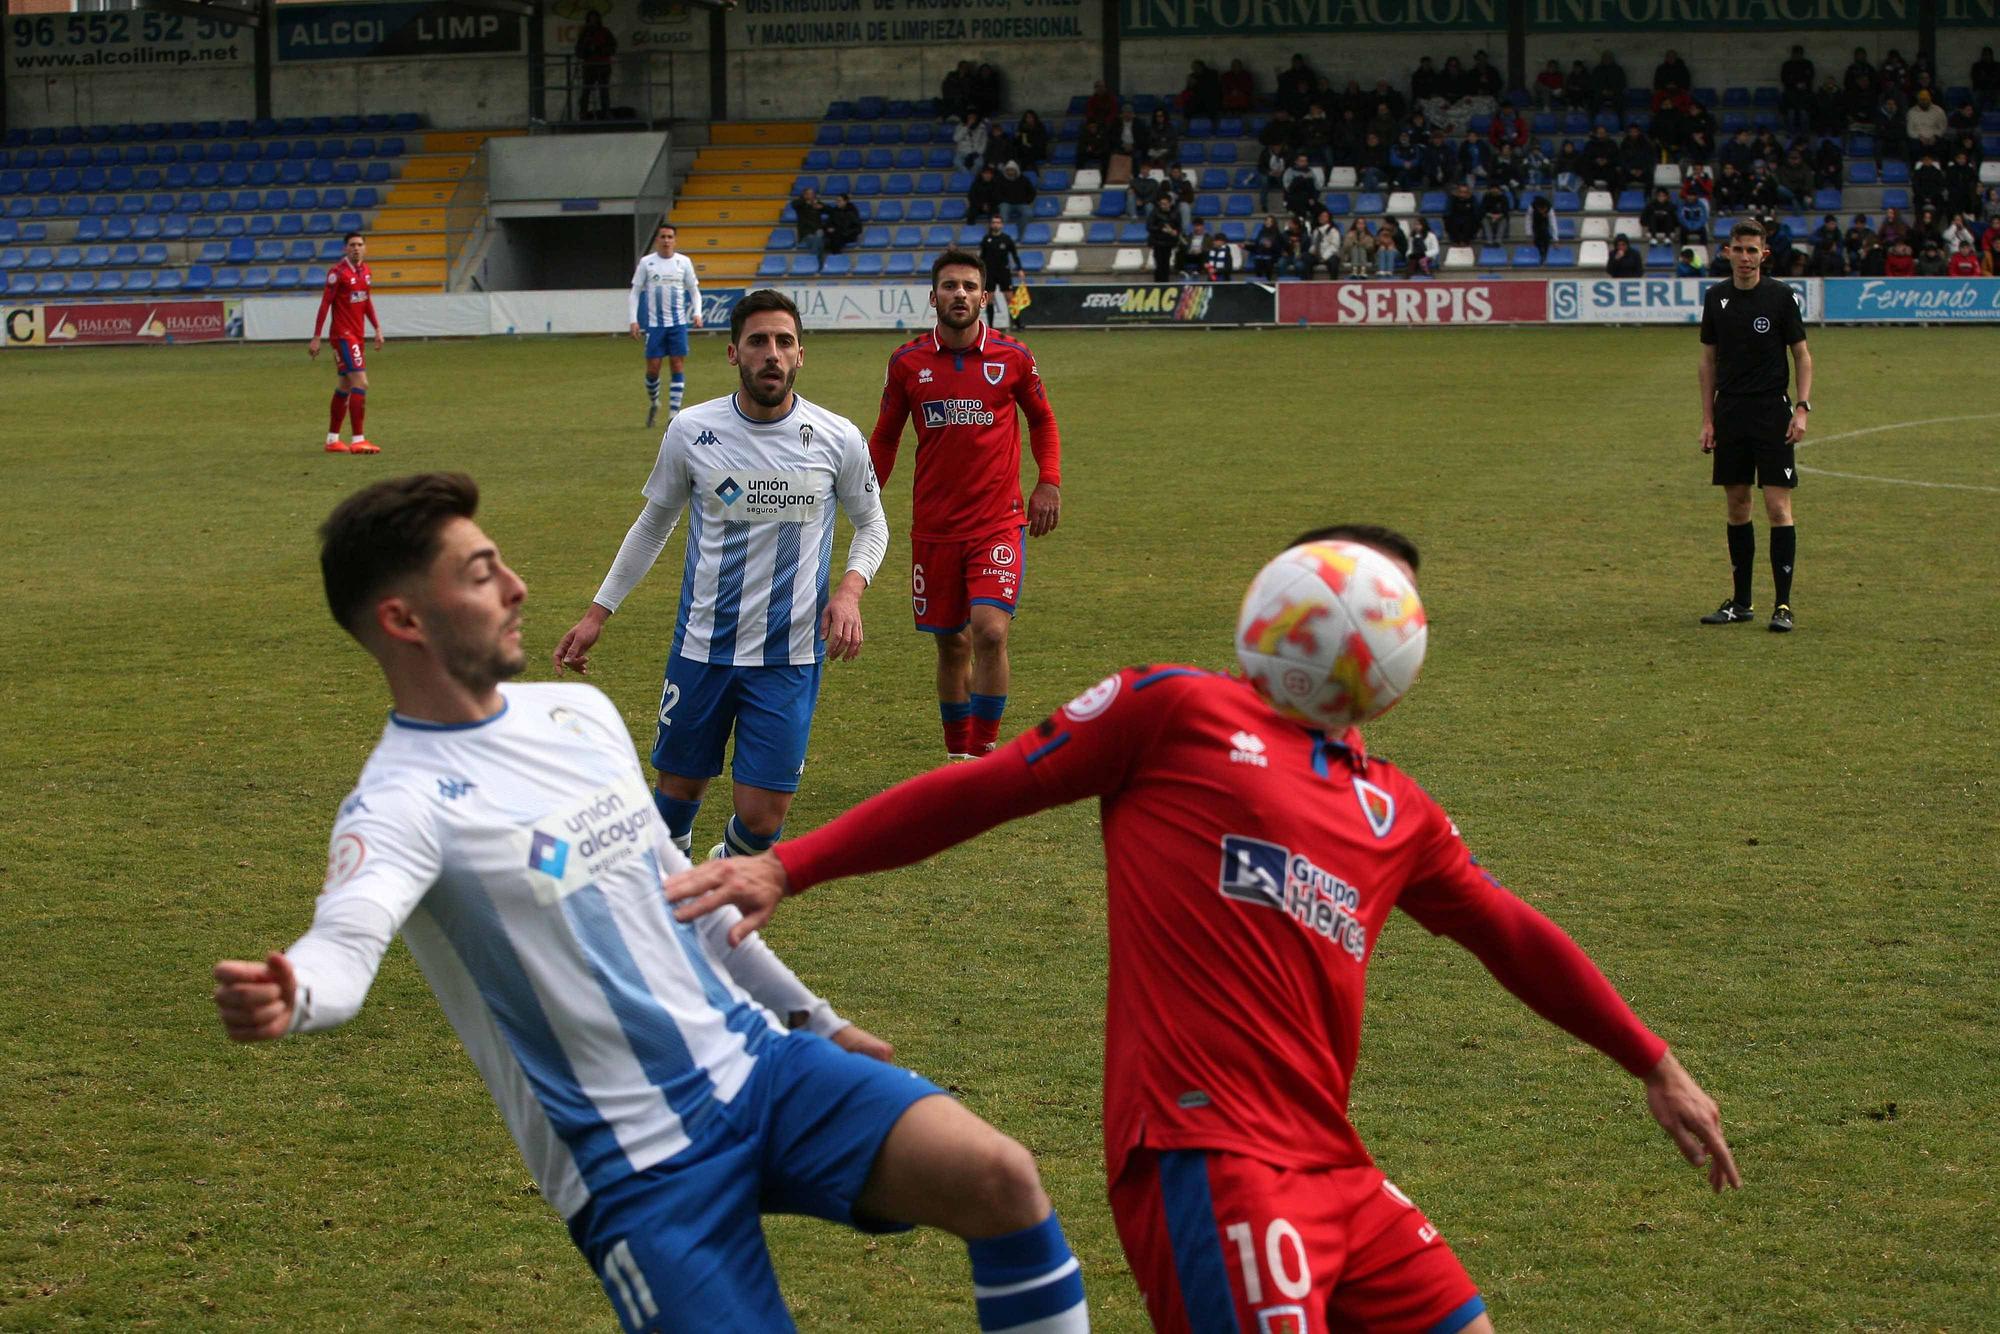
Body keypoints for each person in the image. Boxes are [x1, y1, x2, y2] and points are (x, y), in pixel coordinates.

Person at [663, 524, 1741, 1334]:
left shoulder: (1395, 809)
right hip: (1206, 1153)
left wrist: (1648, 1058)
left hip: (1337, 1169)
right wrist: (786, 861)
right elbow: (982, 789)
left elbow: (1509, 932)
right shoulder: (1172, 710)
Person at [214, 471, 1089, 1334]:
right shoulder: (397, 805)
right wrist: (296, 992)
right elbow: (347, 942)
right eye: (481, 575)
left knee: (1000, 1179)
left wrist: (812, 1019)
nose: (518, 587)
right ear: (403, 620)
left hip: (759, 1071)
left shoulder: (578, 717)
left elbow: (680, 887)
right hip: (636, 1168)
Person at [554, 290, 887, 862]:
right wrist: (596, 614)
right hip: (703, 646)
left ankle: (719, 873)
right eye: (758, 341)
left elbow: (873, 524)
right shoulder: (692, 431)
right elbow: (652, 525)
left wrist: (851, 590)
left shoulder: (837, 438)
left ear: (801, 354)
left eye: (784, 341)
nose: (772, 354)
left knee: (763, 818)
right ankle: (672, 889)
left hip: (787, 655)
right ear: (734, 353)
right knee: (677, 794)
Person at [868, 252, 1062, 761]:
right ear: (933, 297)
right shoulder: (907, 362)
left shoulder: (1013, 356)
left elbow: (1041, 420)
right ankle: (958, 756)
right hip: (933, 528)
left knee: (990, 631)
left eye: (969, 286)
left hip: (997, 522)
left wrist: (1049, 482)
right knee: (951, 644)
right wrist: (865, 496)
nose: (960, 294)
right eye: (950, 286)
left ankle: (983, 752)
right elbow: (886, 437)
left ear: (984, 297)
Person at [1698, 221, 1812, 634]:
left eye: (1753, 251)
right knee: (1737, 505)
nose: (1745, 258)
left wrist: (1801, 408)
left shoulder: (1781, 297)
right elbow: (1707, 361)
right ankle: (1741, 602)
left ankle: (1782, 604)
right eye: (1739, 250)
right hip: (1730, 414)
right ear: (1727, 252)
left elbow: (1802, 355)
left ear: (1764, 254)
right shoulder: (1716, 299)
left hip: (1771, 413)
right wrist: (1708, 419)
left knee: (1778, 508)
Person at [310, 231, 382, 455]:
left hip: (357, 336)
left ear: (365, 248)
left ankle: (332, 440)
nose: (356, 248)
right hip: (343, 335)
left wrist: (377, 328)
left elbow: (366, 301)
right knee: (361, 382)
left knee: (345, 385)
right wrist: (316, 336)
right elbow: (325, 305)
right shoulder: (337, 273)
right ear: (345, 249)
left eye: (360, 244)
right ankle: (358, 439)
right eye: (352, 245)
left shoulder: (366, 272)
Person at [626, 222, 703, 429]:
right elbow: (635, 292)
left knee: (677, 365)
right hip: (655, 325)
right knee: (653, 369)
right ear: (657, 240)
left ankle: (673, 414)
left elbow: (694, 291)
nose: (666, 240)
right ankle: (654, 402)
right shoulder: (646, 263)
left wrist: (697, 313)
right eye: (663, 237)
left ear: (675, 240)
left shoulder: (683, 263)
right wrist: (633, 319)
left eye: (670, 237)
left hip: (678, 324)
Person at [978, 215, 1026, 329]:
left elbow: (1014, 255)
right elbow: (981, 257)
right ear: (991, 224)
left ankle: (1018, 324)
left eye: (998, 222)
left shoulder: (1007, 239)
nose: (996, 224)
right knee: (989, 298)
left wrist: (1019, 269)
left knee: (1010, 298)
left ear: (1002, 224)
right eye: (994, 222)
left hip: (1004, 272)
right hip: (990, 272)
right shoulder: (986, 239)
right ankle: (990, 326)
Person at [574, 9, 617, 121]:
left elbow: (613, 48)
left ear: (598, 19)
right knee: (586, 91)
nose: (593, 21)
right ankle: (583, 114)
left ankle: (606, 113)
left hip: (603, 65)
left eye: (595, 18)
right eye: (591, 18)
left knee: (604, 91)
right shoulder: (584, 33)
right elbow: (578, 51)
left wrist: (599, 49)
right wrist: (587, 48)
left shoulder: (605, 31)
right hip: (589, 65)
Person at [791, 185, 826, 256]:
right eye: (810, 194)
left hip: (818, 230)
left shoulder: (817, 203)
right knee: (818, 240)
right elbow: (794, 204)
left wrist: (822, 206)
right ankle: (815, 260)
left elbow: (828, 210)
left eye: (813, 194)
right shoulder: (799, 205)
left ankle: (813, 262)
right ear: (805, 195)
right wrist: (805, 200)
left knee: (819, 236)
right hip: (805, 233)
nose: (813, 195)